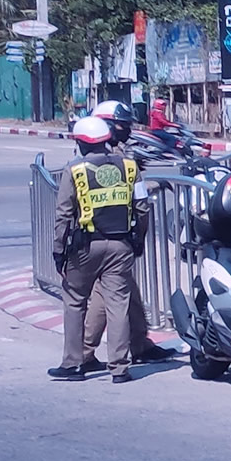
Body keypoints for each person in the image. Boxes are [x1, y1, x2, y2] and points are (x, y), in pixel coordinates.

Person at [49, 116, 148, 384]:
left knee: (74, 300)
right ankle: (120, 368)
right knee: (118, 304)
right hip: (121, 246)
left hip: (85, 247)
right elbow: (142, 207)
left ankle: (73, 364)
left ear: (81, 143)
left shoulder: (75, 170)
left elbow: (63, 215)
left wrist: (59, 251)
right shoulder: (130, 167)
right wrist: (138, 239)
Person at [79, 100, 175, 372]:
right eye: (122, 125)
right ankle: (85, 352)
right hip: (110, 238)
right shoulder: (113, 158)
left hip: (103, 237)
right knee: (106, 294)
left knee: (128, 292)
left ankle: (140, 344)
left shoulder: (98, 155)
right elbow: (134, 197)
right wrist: (139, 235)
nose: (127, 130)